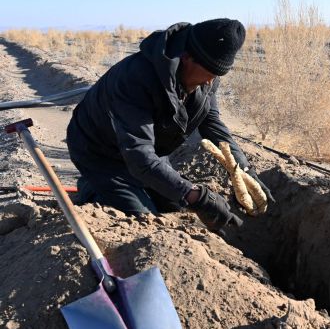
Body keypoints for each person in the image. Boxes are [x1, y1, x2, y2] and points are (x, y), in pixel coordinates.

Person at [66, 19, 274, 233]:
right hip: (100, 152)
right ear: (187, 58)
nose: (211, 82)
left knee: (174, 206)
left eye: (217, 75)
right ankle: (92, 187)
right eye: (210, 73)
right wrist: (197, 196)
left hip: (149, 148)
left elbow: (212, 124)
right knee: (144, 220)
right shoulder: (135, 79)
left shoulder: (206, 75)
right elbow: (139, 157)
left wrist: (245, 171)